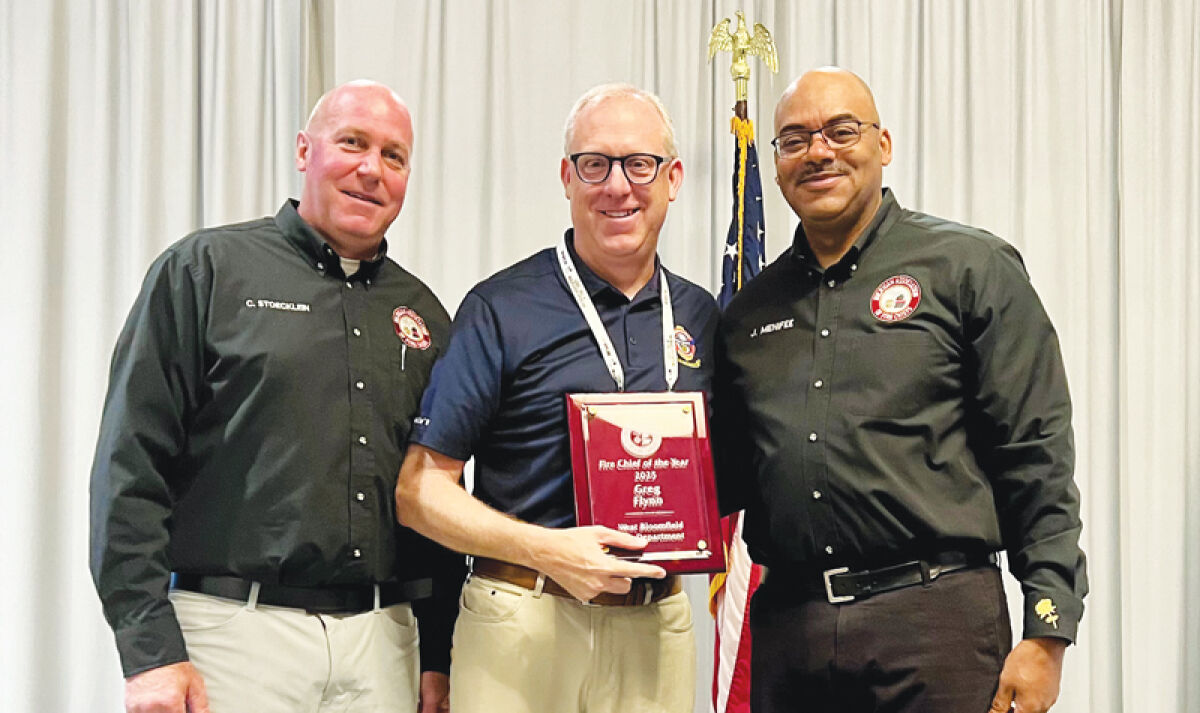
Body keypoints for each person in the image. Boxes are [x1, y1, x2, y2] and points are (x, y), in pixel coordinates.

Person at [713, 67, 1088, 713]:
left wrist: (1047, 629)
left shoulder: (969, 267)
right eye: (795, 139)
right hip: (791, 635)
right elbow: (728, 477)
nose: (818, 151)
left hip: (936, 625)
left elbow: (1035, 453)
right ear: (775, 164)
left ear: (882, 144)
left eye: (841, 131)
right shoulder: (749, 312)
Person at [89, 79, 463, 713]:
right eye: (352, 143)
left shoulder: (422, 313)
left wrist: (437, 654)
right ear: (304, 151)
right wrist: (149, 649)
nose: (371, 169)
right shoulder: (204, 271)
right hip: (232, 635)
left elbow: (435, 496)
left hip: (384, 645)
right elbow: (131, 466)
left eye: (393, 156)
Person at [394, 83, 718, 713]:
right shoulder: (502, 307)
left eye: (639, 164)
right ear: (567, 178)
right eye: (594, 164)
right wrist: (548, 550)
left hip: (656, 626)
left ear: (672, 179)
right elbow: (419, 492)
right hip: (525, 618)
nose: (617, 186)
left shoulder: (701, 316)